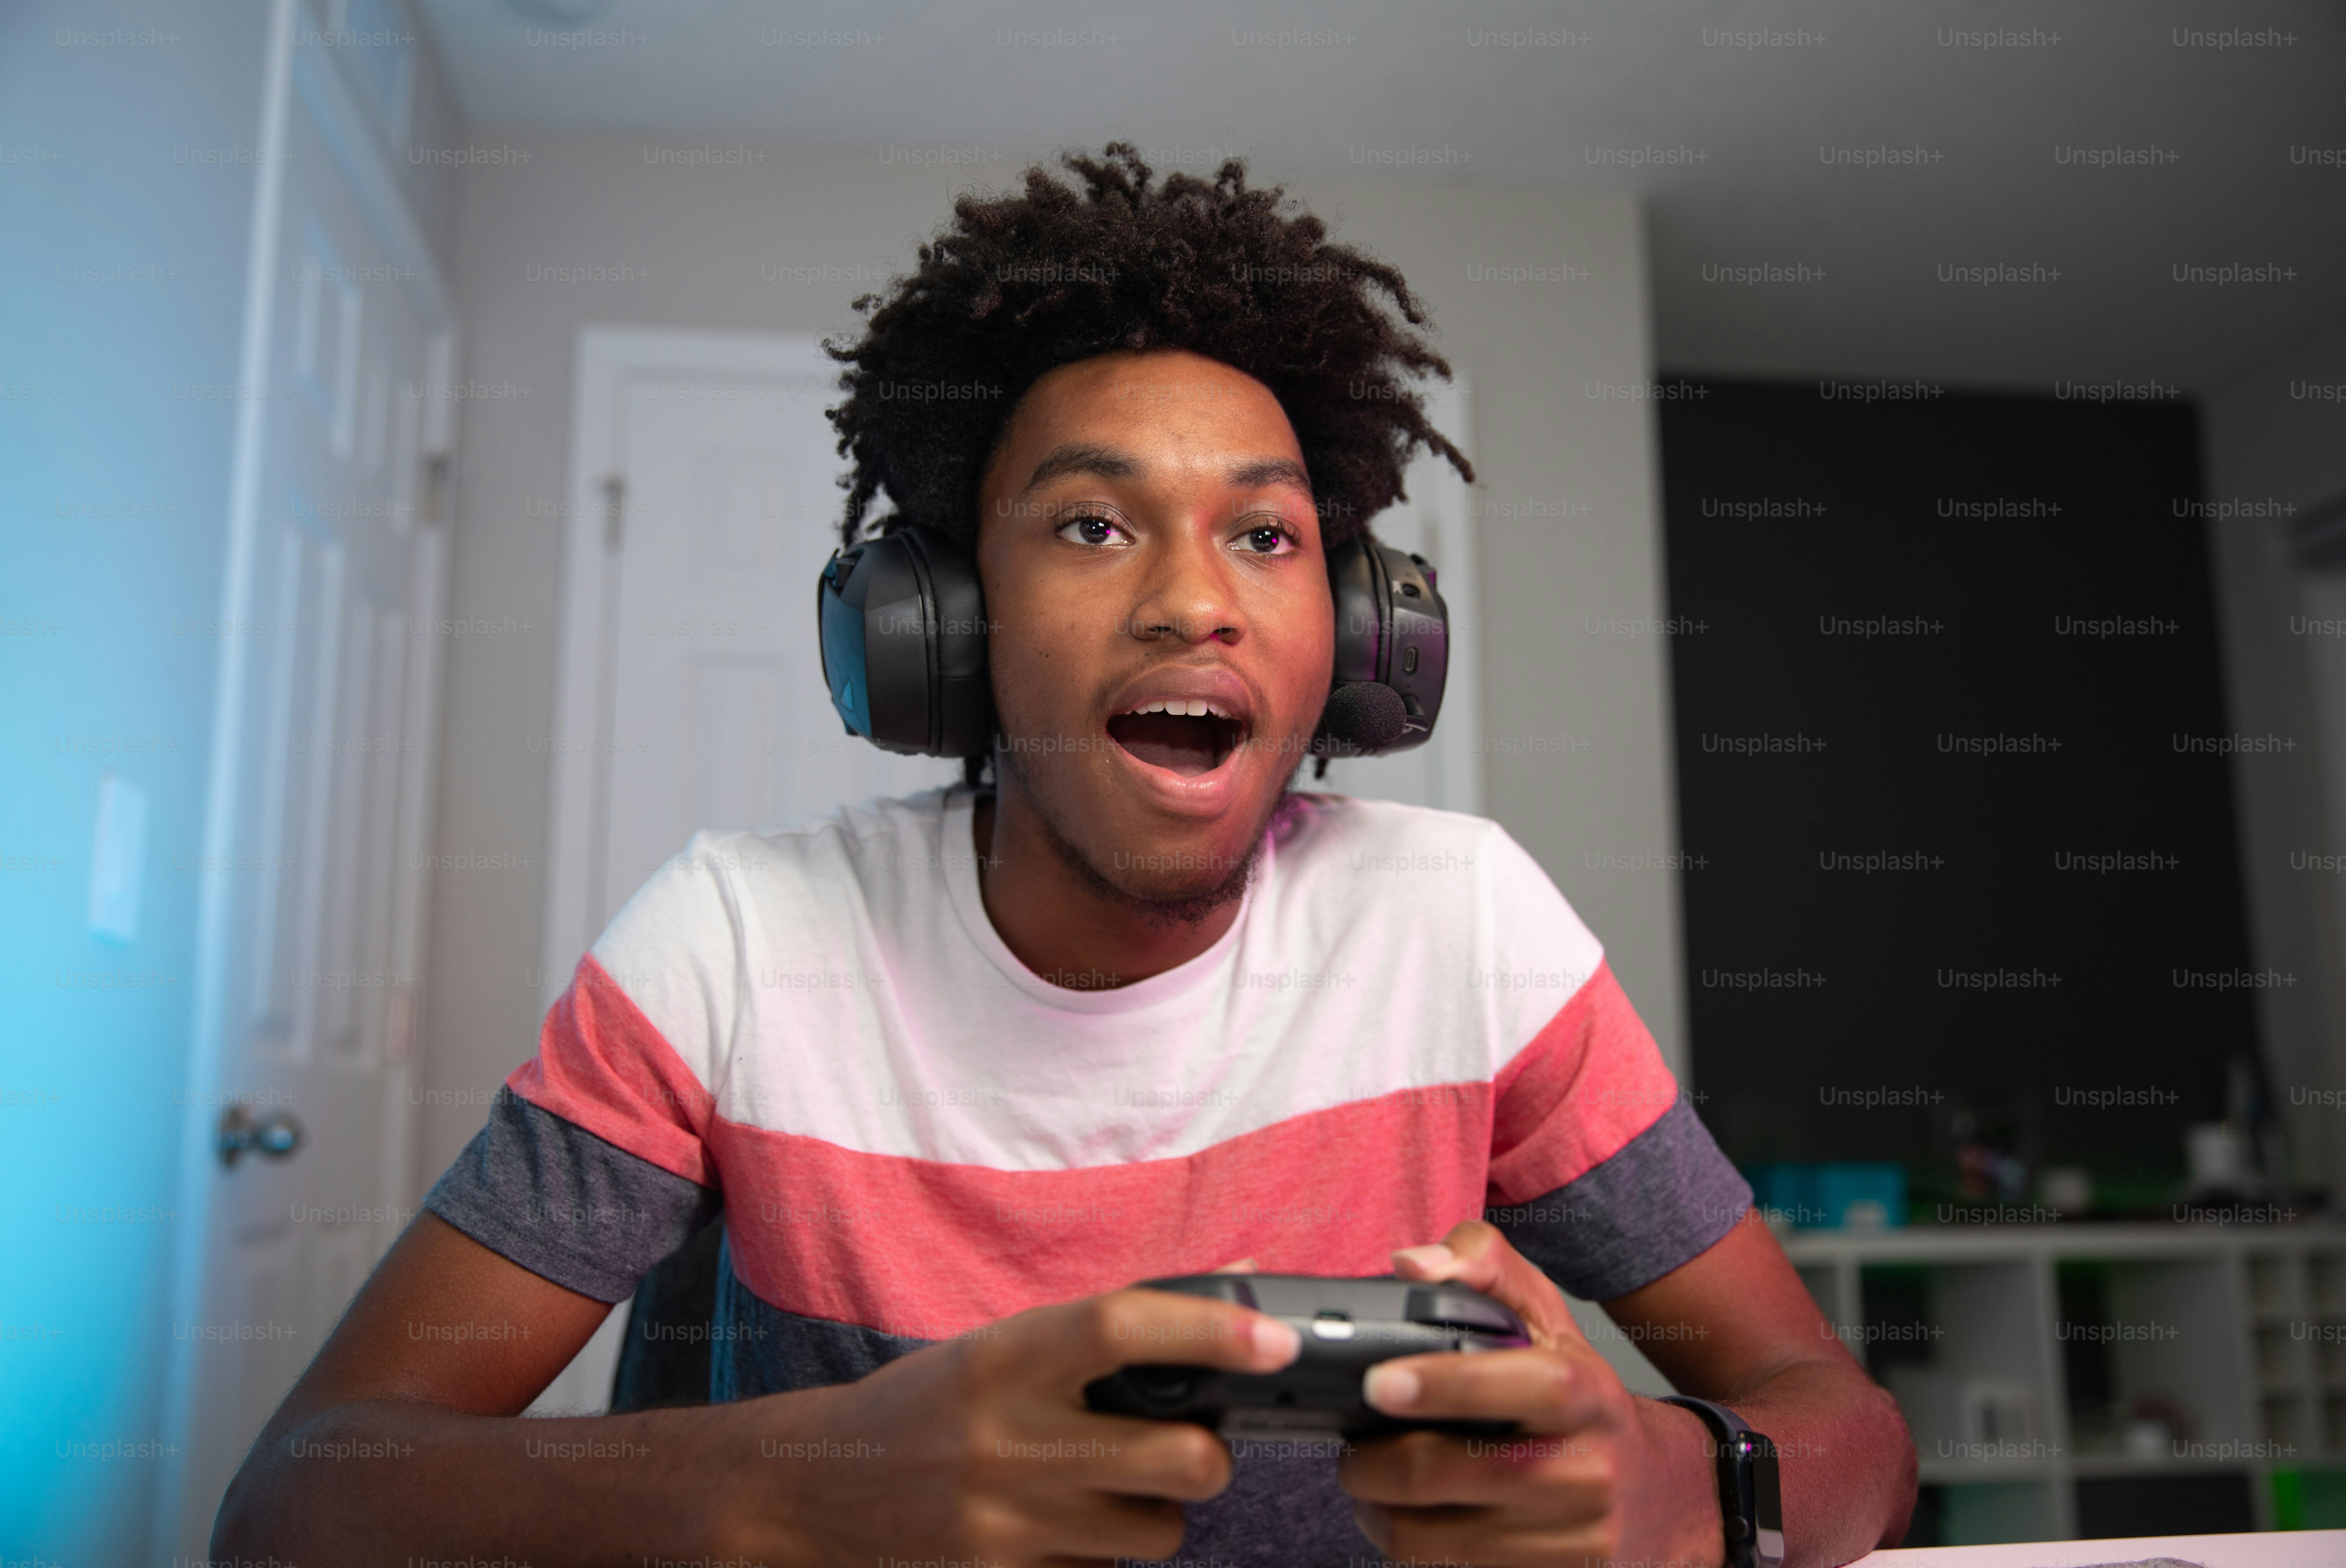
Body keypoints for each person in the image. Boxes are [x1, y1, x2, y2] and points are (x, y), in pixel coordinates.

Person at [216, 144, 1914, 1568]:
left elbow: (1851, 1429)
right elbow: (303, 1501)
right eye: (1093, 526)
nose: (1194, 598)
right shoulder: (739, 942)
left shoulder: (1460, 926)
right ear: (939, 627)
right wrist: (812, 1480)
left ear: (1366, 637)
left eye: (1268, 534)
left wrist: (1677, 1490)